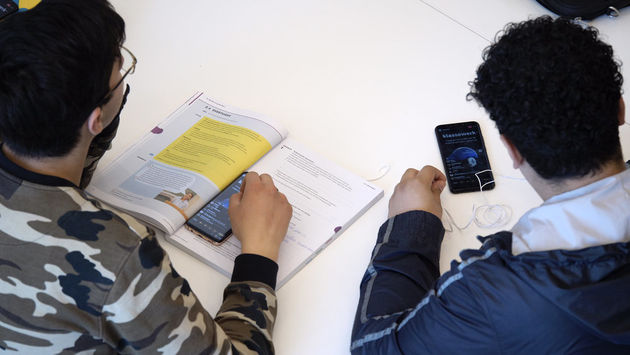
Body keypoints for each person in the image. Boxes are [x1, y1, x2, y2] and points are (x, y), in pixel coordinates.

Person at [0, 1, 292, 353]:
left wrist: (102, 112)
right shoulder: (115, 254)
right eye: (121, 72)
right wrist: (260, 253)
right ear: (95, 118)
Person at [351, 16, 630, 354]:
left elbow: (376, 348)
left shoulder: (493, 292)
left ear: (510, 148)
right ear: (620, 109)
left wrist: (410, 228)